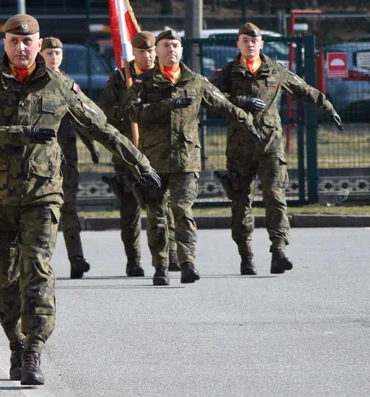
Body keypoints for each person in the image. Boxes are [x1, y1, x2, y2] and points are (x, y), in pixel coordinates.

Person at [0, 14, 160, 385]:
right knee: (5, 277)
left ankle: (34, 349)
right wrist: (20, 134)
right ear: (5, 44)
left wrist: (140, 163)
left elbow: (101, 127)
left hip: (43, 194)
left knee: (37, 267)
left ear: (38, 45)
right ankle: (15, 342)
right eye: (14, 42)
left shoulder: (60, 85)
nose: (21, 48)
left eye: (28, 41)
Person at [124, 28, 257, 286]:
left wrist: (247, 121)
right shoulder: (144, 82)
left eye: (175, 46)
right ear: (157, 51)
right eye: (165, 46)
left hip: (186, 161)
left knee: (183, 211)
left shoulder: (195, 81)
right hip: (153, 161)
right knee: (156, 215)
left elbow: (223, 104)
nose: (171, 50)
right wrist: (165, 106)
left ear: (181, 50)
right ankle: (161, 266)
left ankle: (187, 263)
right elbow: (130, 112)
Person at [213, 22, 342, 275]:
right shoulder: (228, 72)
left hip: (270, 145)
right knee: (241, 202)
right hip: (240, 149)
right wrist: (240, 100)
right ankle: (246, 255)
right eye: (244, 41)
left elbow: (303, 89)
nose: (250, 45)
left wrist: (328, 107)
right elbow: (210, 97)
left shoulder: (276, 70)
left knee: (276, 197)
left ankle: (279, 251)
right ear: (238, 44)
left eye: (254, 41)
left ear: (261, 44)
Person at [97, 30, 180, 276]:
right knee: (130, 210)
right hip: (129, 155)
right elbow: (106, 111)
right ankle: (133, 260)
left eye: (150, 51)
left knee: (164, 207)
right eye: (141, 51)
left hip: (159, 154)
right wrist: (130, 112)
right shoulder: (121, 77)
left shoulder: (164, 76)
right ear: (133, 52)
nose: (146, 56)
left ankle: (171, 254)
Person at [39, 37, 101, 279]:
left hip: (67, 159)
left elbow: (83, 117)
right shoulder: (35, 83)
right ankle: (40, 262)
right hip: (42, 160)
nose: (54, 57)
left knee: (69, 208)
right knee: (44, 212)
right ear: (40, 54)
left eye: (58, 53)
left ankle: (77, 259)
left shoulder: (68, 84)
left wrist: (92, 144)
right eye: (49, 53)